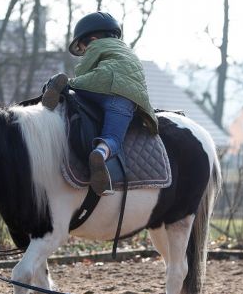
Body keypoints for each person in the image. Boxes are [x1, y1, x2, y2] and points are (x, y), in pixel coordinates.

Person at [41, 12, 158, 196]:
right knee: (113, 138)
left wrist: (76, 80)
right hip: (125, 97)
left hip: (101, 82)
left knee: (73, 84)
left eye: (83, 49)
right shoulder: (128, 52)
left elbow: (84, 69)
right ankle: (101, 153)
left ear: (93, 39)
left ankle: (57, 83)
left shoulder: (96, 45)